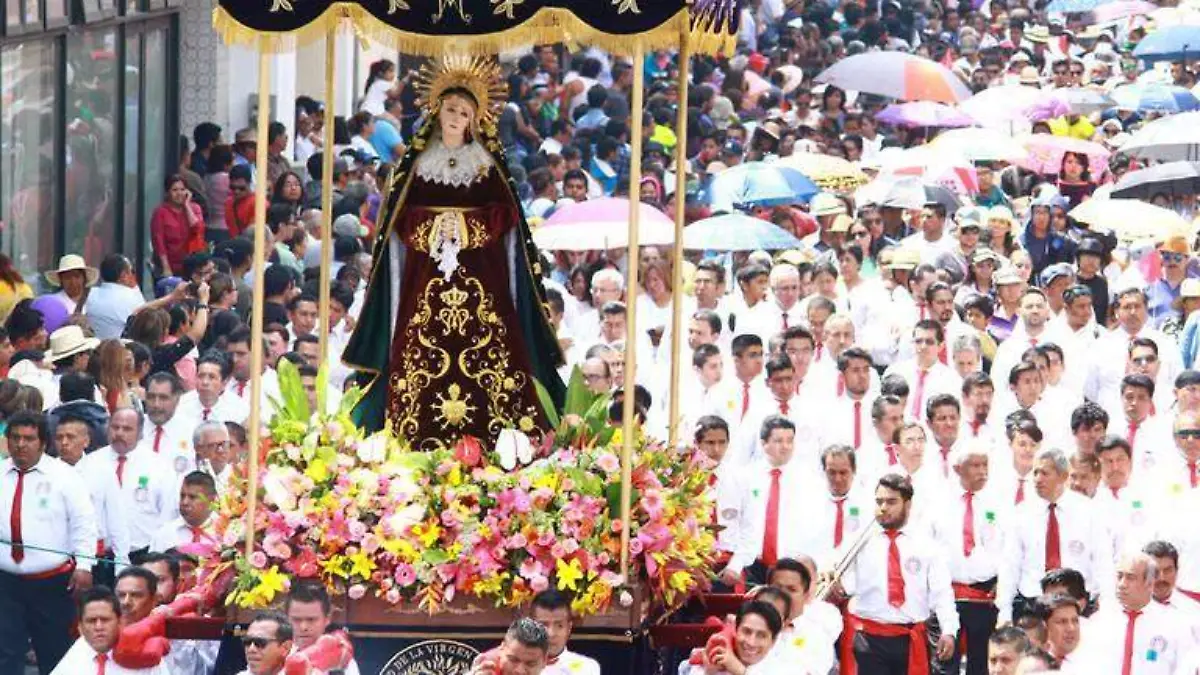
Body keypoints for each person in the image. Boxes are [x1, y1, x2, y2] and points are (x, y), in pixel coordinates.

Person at [343, 55, 565, 446]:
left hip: (482, 277)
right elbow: (399, 218)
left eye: (464, 112)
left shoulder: (485, 166)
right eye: (449, 109)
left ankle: (504, 438)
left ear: (474, 119)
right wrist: (431, 226)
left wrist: (466, 226)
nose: (455, 117)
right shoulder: (415, 166)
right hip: (424, 276)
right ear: (437, 110)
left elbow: (506, 215)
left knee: (493, 353)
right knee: (417, 353)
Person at [0, 410, 98, 675]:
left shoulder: (64, 476)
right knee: (6, 654)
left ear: (43, 443)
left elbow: (84, 522)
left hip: (52, 584)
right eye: (15, 438)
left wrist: (85, 565)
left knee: (53, 652)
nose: (21, 444)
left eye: (29, 439)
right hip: (6, 584)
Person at [837, 473, 958, 674]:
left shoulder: (926, 545)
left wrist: (949, 630)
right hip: (870, 640)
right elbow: (842, 580)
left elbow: (942, 593)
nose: (883, 507)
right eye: (879, 501)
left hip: (910, 639)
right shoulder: (859, 541)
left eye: (891, 502)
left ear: (908, 504)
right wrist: (834, 582)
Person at [997, 448, 1114, 624]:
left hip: (1077, 604)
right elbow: (1010, 565)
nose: (1037, 479)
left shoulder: (1088, 511)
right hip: (1033, 604)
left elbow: (1102, 561)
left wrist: (1106, 603)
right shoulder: (1021, 514)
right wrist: (1004, 611)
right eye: (1035, 473)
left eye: (1044, 473)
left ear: (1063, 476)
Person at [49, 587, 170, 674]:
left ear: (120, 622)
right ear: (80, 628)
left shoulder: (145, 652)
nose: (98, 627)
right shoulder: (77, 652)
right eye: (91, 621)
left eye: (105, 620)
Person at [284, 581, 359, 674]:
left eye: (311, 620)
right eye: (296, 620)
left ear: (327, 619)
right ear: (286, 619)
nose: (304, 627)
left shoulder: (341, 660)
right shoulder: (271, 655)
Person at [528, 590, 600, 675]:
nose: (551, 634)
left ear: (569, 628)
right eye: (543, 625)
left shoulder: (587, 668)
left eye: (559, 626)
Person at [150, 175, 204, 278]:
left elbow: (197, 228)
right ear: (167, 192)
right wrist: (166, 268)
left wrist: (187, 205)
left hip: (192, 266)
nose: (179, 193)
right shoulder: (160, 212)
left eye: (182, 189)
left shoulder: (195, 208)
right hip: (169, 265)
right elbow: (158, 241)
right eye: (174, 190)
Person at [469, 617, 550, 675]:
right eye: (513, 660)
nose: (520, 671)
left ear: (544, 661)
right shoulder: (485, 667)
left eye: (530, 664)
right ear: (501, 649)